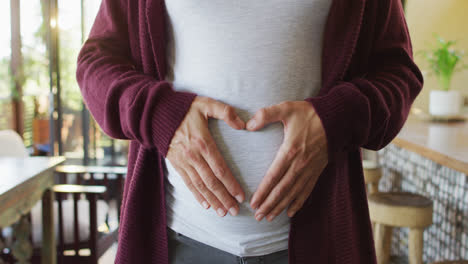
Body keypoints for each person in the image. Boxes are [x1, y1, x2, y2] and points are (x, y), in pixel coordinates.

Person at [76, 0, 423, 263]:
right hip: (179, 241)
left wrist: (335, 120)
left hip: (319, 243)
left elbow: (399, 74)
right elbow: (95, 64)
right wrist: (158, 114)